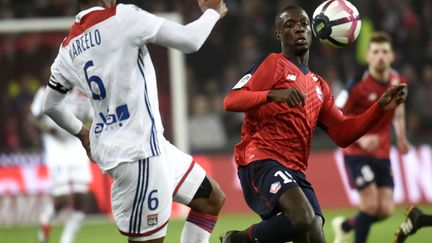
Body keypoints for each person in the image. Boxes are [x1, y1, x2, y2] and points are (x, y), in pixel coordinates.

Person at [42, 0, 228, 242]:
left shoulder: (68, 47)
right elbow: (190, 40)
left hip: (149, 146)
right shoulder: (122, 16)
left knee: (210, 199)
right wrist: (213, 12)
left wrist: (82, 133)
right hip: (138, 155)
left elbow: (51, 104)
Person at [220, 5, 408, 243]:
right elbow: (231, 100)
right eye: (290, 25)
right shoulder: (272, 64)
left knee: (314, 230)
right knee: (304, 219)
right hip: (261, 160)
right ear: (279, 34)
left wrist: (379, 108)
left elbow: (342, 133)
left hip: (295, 169)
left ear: (312, 31)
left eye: (303, 24)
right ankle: (238, 240)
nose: (298, 28)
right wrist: (271, 95)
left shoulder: (319, 86)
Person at [332, 32, 410, 243]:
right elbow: (335, 115)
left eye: (385, 51)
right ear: (368, 56)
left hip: (382, 152)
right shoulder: (356, 85)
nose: (381, 56)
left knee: (385, 210)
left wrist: (401, 137)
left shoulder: (398, 81)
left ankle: (345, 226)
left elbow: (399, 111)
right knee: (369, 205)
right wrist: (360, 139)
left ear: (392, 55)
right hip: (356, 151)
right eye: (376, 52)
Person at [32, 86, 93, 243]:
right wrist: (48, 129)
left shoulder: (85, 92)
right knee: (63, 199)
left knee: (81, 196)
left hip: (75, 142)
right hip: (56, 145)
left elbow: (91, 118)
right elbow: (33, 118)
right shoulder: (46, 91)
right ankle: (47, 217)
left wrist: (84, 128)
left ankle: (67, 240)